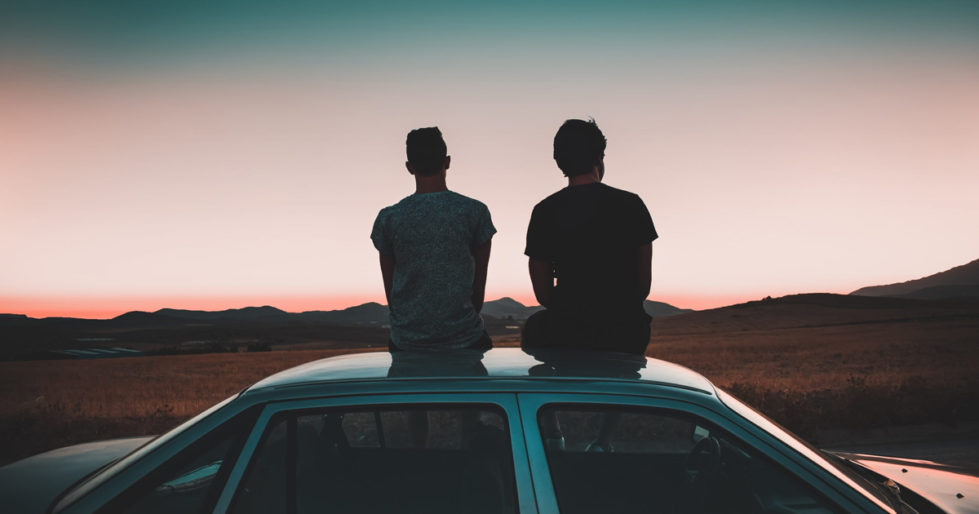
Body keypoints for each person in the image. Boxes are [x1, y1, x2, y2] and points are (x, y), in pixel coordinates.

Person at [523, 118, 658, 355]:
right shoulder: (632, 204)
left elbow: (543, 293)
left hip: (567, 331)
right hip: (626, 331)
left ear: (559, 162)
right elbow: (642, 288)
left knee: (534, 326)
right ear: (599, 157)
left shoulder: (544, 211)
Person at [371, 126, 496, 351]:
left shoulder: (389, 218)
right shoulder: (474, 212)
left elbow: (392, 292)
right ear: (447, 162)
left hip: (406, 341)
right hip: (465, 338)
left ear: (409, 167)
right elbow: (478, 287)